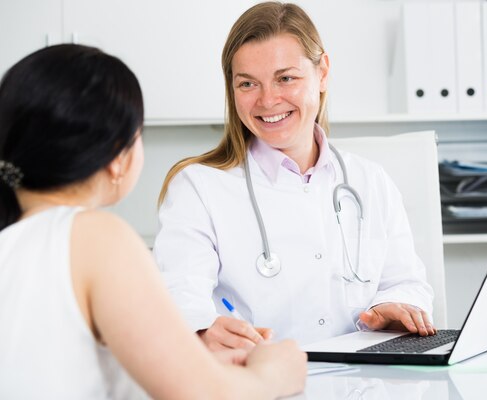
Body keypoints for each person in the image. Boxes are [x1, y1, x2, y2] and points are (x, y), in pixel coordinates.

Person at [0, 44, 306, 399]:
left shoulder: (13, 242)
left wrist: (193, 365)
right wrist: (275, 371)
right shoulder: (95, 237)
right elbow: (199, 395)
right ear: (118, 156)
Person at [154, 1, 437, 352]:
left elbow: (407, 282)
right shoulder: (198, 187)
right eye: (247, 84)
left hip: (363, 383)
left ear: (322, 73)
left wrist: (392, 308)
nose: (268, 100)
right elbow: (179, 297)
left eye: (285, 78)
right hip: (257, 382)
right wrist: (202, 331)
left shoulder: (371, 181)